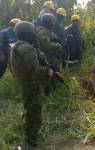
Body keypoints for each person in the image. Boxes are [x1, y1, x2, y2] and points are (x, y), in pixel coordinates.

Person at [10, 21, 54, 149]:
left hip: (26, 83)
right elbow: (34, 69)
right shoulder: (26, 48)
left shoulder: (18, 46)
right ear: (28, 33)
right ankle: (30, 144)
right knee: (34, 114)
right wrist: (48, 72)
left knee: (29, 111)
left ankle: (29, 140)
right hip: (30, 84)